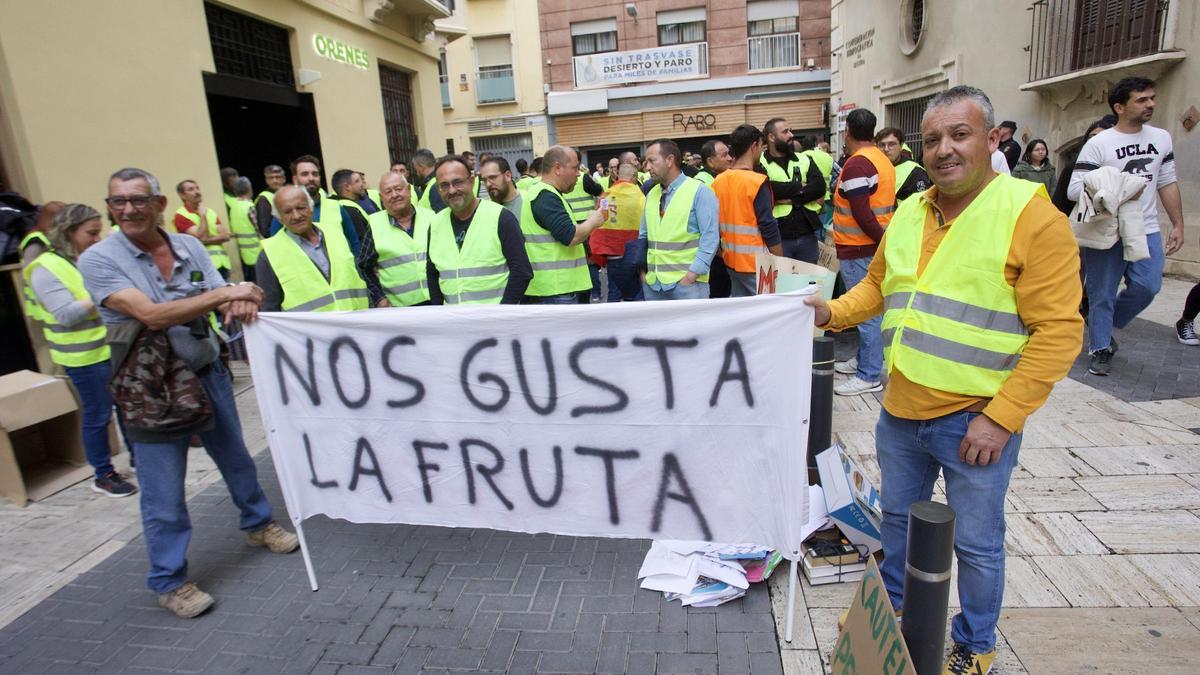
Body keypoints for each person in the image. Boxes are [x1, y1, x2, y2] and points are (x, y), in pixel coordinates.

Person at [807, 86, 1082, 675]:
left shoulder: (1031, 214)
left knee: (976, 544)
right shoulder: (910, 210)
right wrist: (831, 312)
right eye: (932, 139)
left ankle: (974, 643)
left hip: (975, 422)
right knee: (899, 524)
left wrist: (1001, 418)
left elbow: (1058, 332)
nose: (944, 150)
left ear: (991, 139)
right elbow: (878, 289)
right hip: (901, 414)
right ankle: (891, 614)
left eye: (959, 135)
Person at [79, 167, 297, 619]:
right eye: (117, 202)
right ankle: (169, 580)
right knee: (163, 489)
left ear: (158, 205)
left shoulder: (190, 246)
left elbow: (230, 294)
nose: (127, 209)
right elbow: (153, 315)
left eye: (137, 200)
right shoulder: (99, 260)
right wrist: (226, 295)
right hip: (149, 388)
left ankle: (259, 524)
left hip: (206, 371)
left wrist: (239, 296)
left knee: (237, 457)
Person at [1068, 76, 1186, 373]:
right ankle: (1100, 346)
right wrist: (1112, 189)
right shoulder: (1099, 144)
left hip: (1145, 228)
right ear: (1120, 107)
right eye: (1142, 99)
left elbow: (1167, 181)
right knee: (1102, 293)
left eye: (1152, 98)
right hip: (1106, 230)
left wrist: (1178, 224)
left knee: (1148, 286)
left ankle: (1105, 325)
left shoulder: (1161, 138)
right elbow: (1074, 188)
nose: (1151, 104)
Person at [26, 204, 136, 497]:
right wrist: (102, 295)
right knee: (98, 414)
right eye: (91, 233)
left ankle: (138, 457)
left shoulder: (82, 260)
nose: (97, 238)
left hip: (108, 348)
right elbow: (65, 314)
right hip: (82, 357)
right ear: (69, 232)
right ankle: (103, 474)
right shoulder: (45, 268)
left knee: (124, 406)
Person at [830, 108, 896, 396]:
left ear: (847, 133)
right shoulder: (881, 159)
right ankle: (866, 359)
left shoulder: (857, 165)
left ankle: (868, 374)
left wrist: (882, 242)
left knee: (866, 310)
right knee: (870, 309)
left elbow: (862, 213)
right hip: (870, 245)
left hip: (860, 248)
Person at [426, 155, 531, 305]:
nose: (452, 190)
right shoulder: (435, 223)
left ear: (472, 181)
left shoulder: (501, 217)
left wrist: (503, 312)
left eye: (457, 182)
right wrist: (438, 313)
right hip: (453, 321)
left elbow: (522, 271)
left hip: (493, 321)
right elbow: (432, 274)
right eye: (444, 185)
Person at [257, 185, 369, 313]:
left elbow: (359, 278)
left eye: (301, 208)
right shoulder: (270, 253)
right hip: (310, 332)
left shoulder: (336, 234)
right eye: (287, 211)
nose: (296, 216)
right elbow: (270, 310)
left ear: (311, 208)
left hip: (354, 325)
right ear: (279, 218)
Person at [520, 145, 603, 304]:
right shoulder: (545, 196)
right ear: (558, 168)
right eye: (575, 168)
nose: (579, 173)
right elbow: (571, 236)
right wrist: (593, 221)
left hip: (557, 288)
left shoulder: (544, 193)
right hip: (557, 290)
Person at [637, 139, 718, 301]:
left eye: (652, 161)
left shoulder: (699, 191)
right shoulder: (652, 194)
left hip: (688, 287)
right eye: (646, 162)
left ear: (669, 160)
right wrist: (643, 275)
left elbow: (710, 238)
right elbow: (644, 236)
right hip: (654, 285)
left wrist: (691, 276)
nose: (647, 168)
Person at [711, 124, 783, 296]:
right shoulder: (756, 182)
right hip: (757, 265)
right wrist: (780, 260)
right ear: (754, 146)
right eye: (761, 146)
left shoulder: (718, 182)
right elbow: (768, 226)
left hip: (730, 261)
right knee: (767, 312)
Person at [357, 172, 433, 308]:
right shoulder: (375, 225)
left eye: (398, 189)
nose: (394, 195)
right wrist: (379, 298)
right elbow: (363, 268)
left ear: (409, 190)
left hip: (437, 303)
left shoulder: (431, 218)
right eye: (388, 192)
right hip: (400, 309)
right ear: (381, 198)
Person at [758, 117, 826, 263]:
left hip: (807, 235)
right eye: (785, 132)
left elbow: (819, 188)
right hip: (778, 238)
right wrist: (799, 187)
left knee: (810, 282)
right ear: (771, 137)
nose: (791, 135)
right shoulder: (760, 163)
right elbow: (767, 191)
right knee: (782, 283)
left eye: (790, 131)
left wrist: (789, 199)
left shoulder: (804, 159)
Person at [272, 155, 363, 258]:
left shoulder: (336, 207)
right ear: (295, 179)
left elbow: (355, 245)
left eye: (315, 174)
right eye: (305, 174)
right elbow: (276, 251)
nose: (311, 178)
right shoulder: (285, 213)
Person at [591, 163, 645, 302]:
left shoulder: (606, 195)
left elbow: (598, 221)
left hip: (612, 254)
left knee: (614, 291)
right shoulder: (639, 195)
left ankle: (613, 321)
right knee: (637, 293)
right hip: (633, 254)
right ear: (634, 176)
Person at [1051, 116, 1115, 216]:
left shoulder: (1115, 167)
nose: (1096, 140)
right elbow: (1060, 203)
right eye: (1092, 136)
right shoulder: (1072, 167)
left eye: (1102, 137)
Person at [172, 180, 232, 280]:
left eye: (197, 188)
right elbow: (203, 236)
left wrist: (205, 240)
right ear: (182, 195)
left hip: (222, 264)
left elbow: (226, 236)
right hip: (199, 267)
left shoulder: (210, 212)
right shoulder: (181, 216)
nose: (197, 192)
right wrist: (202, 216)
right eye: (191, 189)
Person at [875, 127, 931, 203]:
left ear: (901, 146)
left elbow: (921, 205)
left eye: (891, 144)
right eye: (882, 145)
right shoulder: (873, 168)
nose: (886, 149)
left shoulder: (915, 172)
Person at [227, 177, 261, 284]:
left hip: (244, 254)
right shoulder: (249, 206)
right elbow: (259, 229)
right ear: (249, 189)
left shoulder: (234, 207)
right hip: (258, 252)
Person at [331, 168, 373, 242]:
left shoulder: (335, 205)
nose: (362, 184)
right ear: (347, 187)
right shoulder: (349, 210)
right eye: (357, 181)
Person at [254, 165, 287, 239]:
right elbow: (265, 231)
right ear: (266, 181)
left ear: (284, 179)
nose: (274, 181)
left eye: (277, 177)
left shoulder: (286, 195)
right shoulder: (264, 199)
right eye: (271, 178)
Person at [412, 149, 447, 213]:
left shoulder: (435, 187)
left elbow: (442, 215)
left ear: (421, 168)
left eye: (416, 169)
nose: (416, 173)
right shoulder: (435, 182)